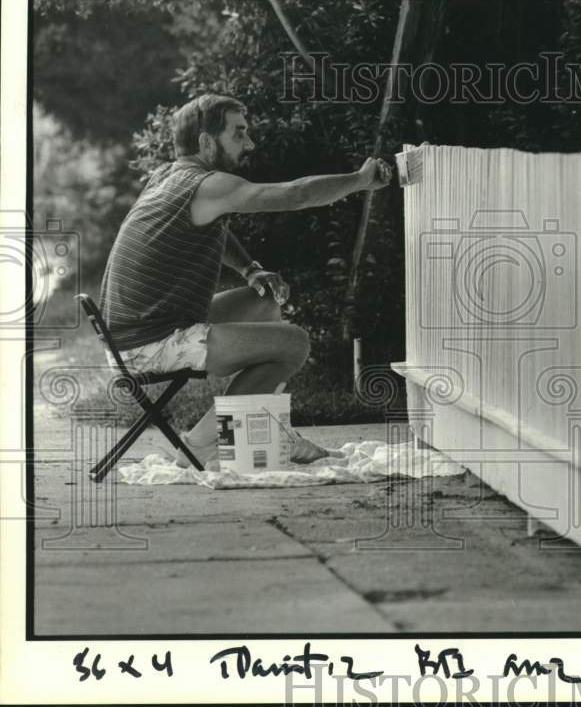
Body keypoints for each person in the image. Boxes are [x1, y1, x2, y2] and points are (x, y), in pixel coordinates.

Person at [98, 93, 393, 469]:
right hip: (145, 345)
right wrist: (359, 180)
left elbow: (214, 229)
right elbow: (296, 195)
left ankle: (256, 425)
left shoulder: (168, 177)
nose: (249, 144)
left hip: (133, 332)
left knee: (265, 302)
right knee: (294, 344)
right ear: (206, 142)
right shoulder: (208, 186)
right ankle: (200, 445)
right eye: (239, 134)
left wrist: (250, 269)